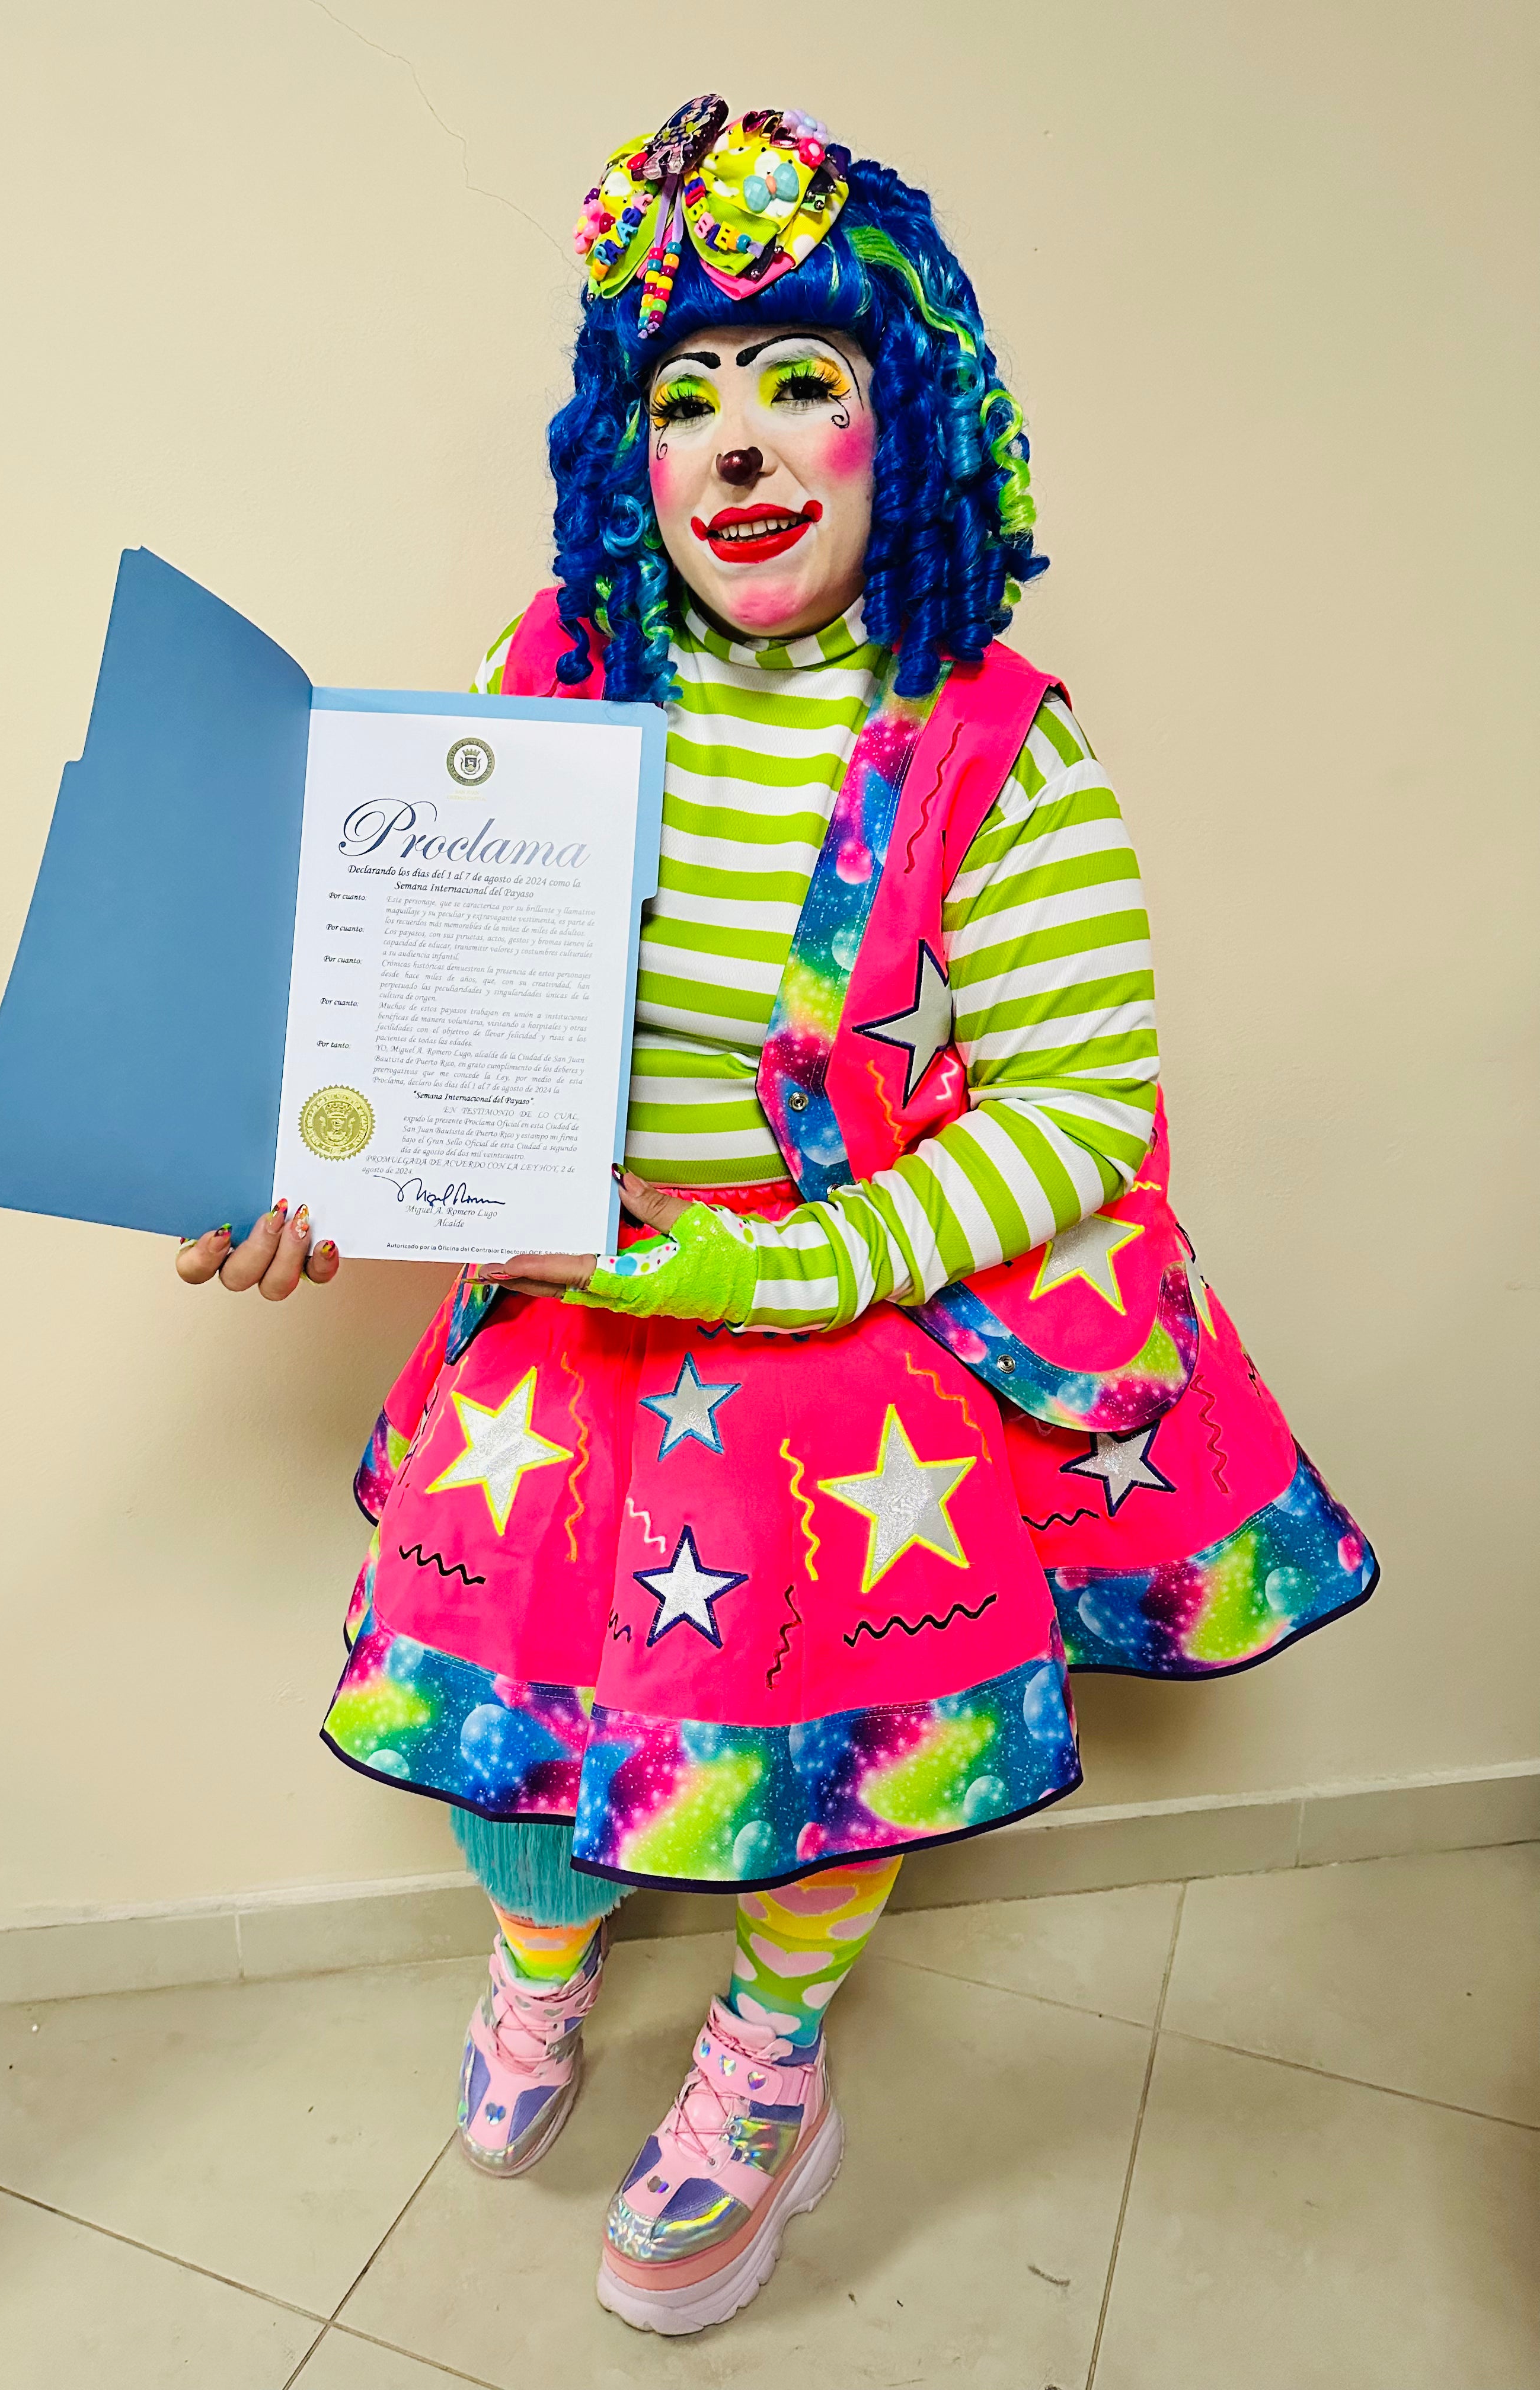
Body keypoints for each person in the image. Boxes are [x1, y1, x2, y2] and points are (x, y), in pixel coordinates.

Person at [176, 96, 1377, 2338]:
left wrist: (772, 1264)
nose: (734, 441)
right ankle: (542, 1958)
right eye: (683, 393)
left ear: (902, 423)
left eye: (799, 381)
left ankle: (769, 2060)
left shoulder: (994, 748)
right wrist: (299, 1157)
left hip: (824, 1347)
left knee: (804, 1733)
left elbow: (1080, 1117)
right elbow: (413, 992)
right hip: (566, 1307)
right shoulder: (553, 672)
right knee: (490, 1673)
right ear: (624, 454)